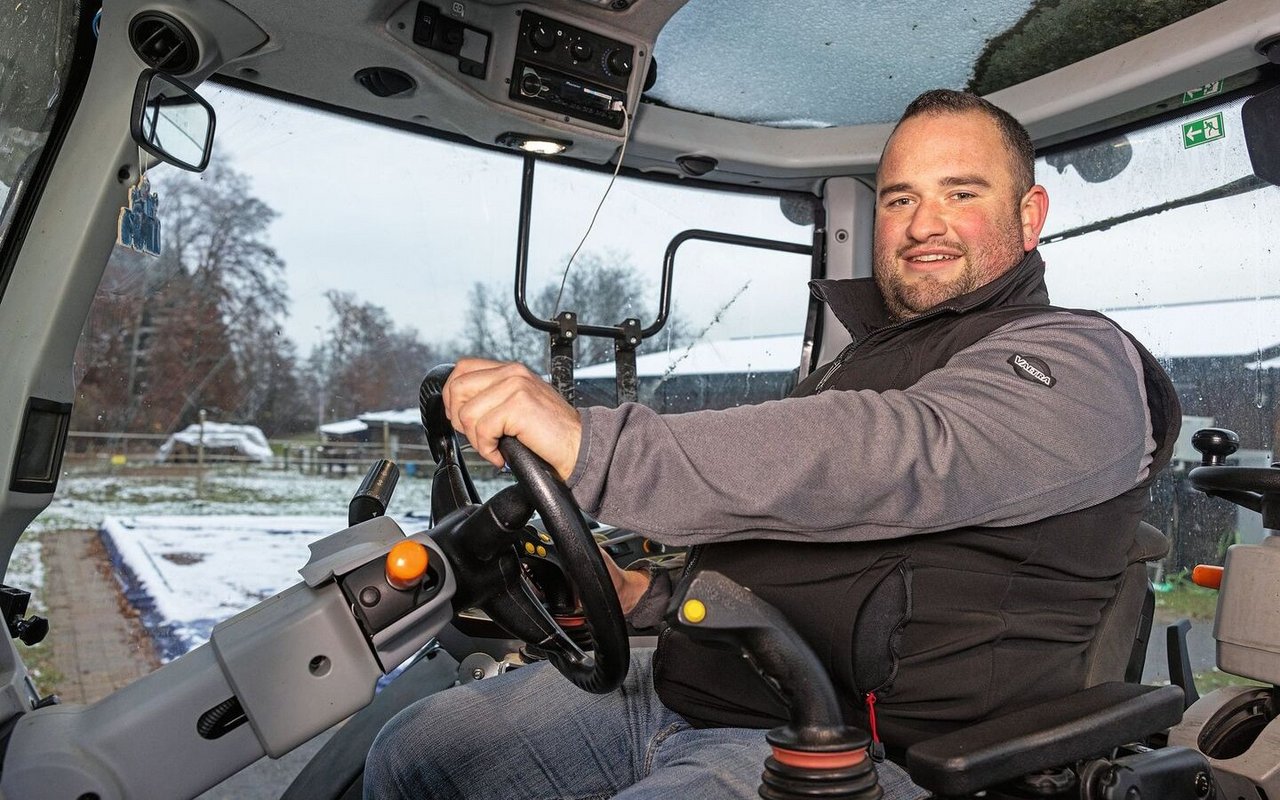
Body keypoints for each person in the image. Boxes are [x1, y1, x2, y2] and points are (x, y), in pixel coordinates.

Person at [364, 89, 1180, 799]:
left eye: (959, 193)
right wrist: (640, 594)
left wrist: (596, 448)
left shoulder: (1081, 360)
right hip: (688, 685)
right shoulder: (857, 362)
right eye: (898, 200)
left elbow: (899, 455)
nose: (922, 224)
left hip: (849, 749)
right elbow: (795, 542)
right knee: (417, 754)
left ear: (1028, 216)